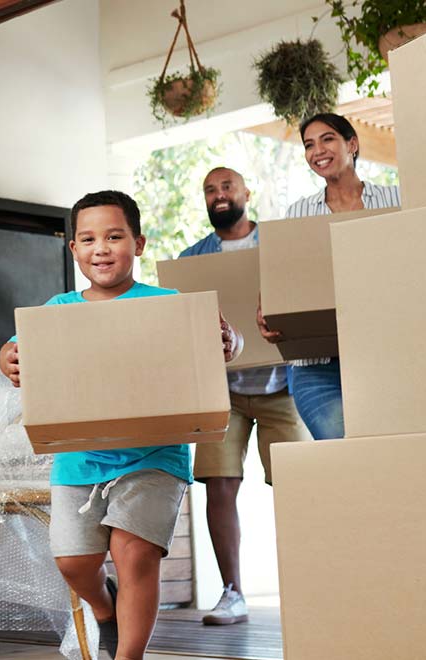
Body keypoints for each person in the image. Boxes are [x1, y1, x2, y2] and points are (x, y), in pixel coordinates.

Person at [0, 190, 240, 660]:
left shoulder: (167, 303)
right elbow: (15, 350)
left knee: (136, 554)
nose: (101, 248)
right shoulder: (57, 310)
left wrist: (230, 341)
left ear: (140, 243)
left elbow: (226, 341)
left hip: (154, 454)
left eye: (114, 236)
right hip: (79, 457)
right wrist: (6, 358)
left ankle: (129, 657)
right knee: (73, 563)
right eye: (87, 239)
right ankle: (105, 610)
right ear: (73, 250)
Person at [176, 167, 310, 626]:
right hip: (224, 392)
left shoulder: (276, 245)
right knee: (220, 484)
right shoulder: (192, 258)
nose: (218, 195)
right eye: (209, 189)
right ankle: (232, 592)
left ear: (246, 193)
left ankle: (308, 585)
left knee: (298, 486)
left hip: (283, 386)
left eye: (226, 187)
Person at [259, 112, 401, 440]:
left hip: (384, 353)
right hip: (316, 365)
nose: (317, 150)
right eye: (309, 145)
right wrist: (267, 305)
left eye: (327, 139)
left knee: (387, 447)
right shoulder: (298, 213)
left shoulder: (396, 200)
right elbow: (284, 276)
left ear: (352, 144)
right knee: (343, 450)